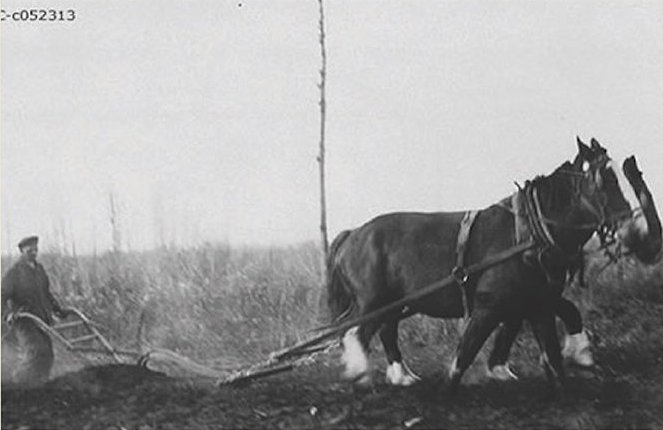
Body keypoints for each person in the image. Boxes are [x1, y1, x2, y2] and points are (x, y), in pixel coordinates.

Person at [1, 236, 71, 386]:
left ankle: (40, 387)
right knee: (37, 353)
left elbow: (47, 293)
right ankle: (18, 386)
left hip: (41, 319)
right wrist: (7, 314)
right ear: (22, 251)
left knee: (48, 355)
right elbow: (2, 295)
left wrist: (59, 310)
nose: (34, 253)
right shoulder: (15, 272)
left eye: (36, 249)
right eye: (29, 250)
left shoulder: (39, 270)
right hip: (24, 321)